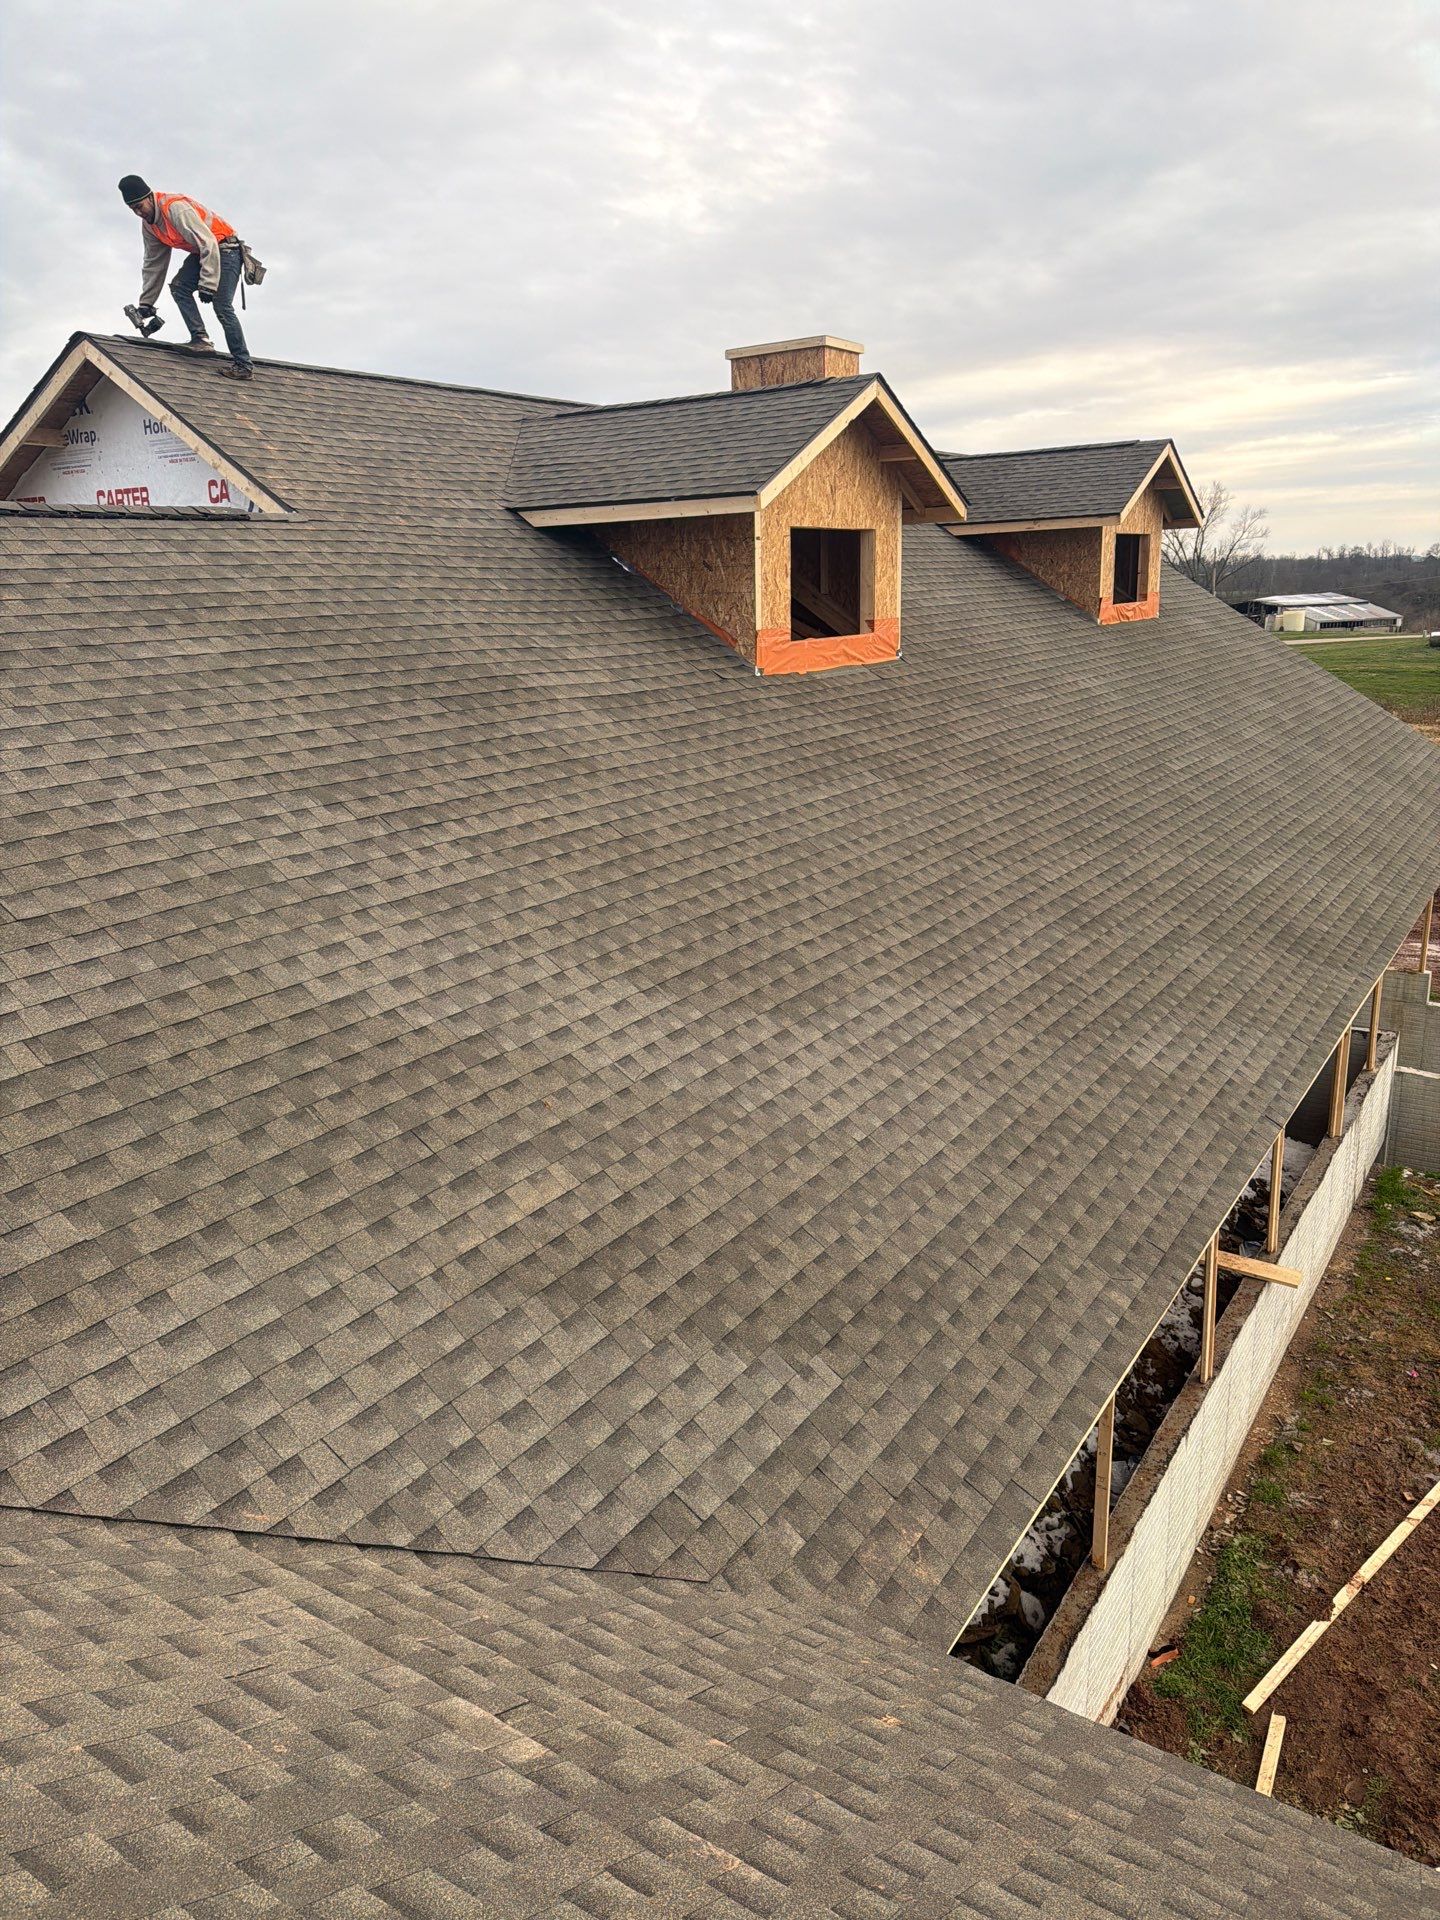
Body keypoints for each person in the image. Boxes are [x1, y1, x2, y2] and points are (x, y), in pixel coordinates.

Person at [118, 176, 254, 381]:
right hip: (203, 253)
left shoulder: (175, 208)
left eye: (139, 206)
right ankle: (201, 340)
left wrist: (208, 284)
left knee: (222, 305)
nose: (139, 213)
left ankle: (243, 365)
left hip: (225, 249)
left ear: (149, 197)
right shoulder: (149, 226)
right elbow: (154, 263)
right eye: (133, 210)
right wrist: (146, 303)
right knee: (179, 287)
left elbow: (208, 242)